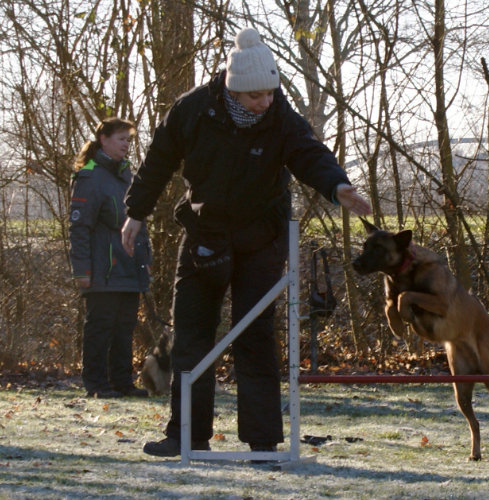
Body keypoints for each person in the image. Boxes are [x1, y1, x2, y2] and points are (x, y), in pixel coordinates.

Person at [121, 27, 371, 457]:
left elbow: (309, 153)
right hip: (205, 232)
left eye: (269, 94)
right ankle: (186, 435)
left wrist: (337, 187)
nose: (264, 102)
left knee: (255, 336)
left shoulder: (280, 116)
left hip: (262, 237)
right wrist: (135, 213)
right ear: (234, 90)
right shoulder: (193, 110)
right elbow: (158, 159)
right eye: (255, 96)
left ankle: (263, 441)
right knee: (191, 336)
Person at [69, 118, 152, 399]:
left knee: (124, 328)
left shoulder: (127, 174)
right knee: (101, 327)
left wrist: (146, 257)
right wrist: (82, 270)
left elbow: (138, 220)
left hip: (130, 268)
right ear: (103, 139)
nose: (127, 145)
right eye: (121, 139)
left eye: (129, 140)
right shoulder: (90, 177)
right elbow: (79, 228)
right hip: (102, 269)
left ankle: (122, 382)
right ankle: (96, 384)